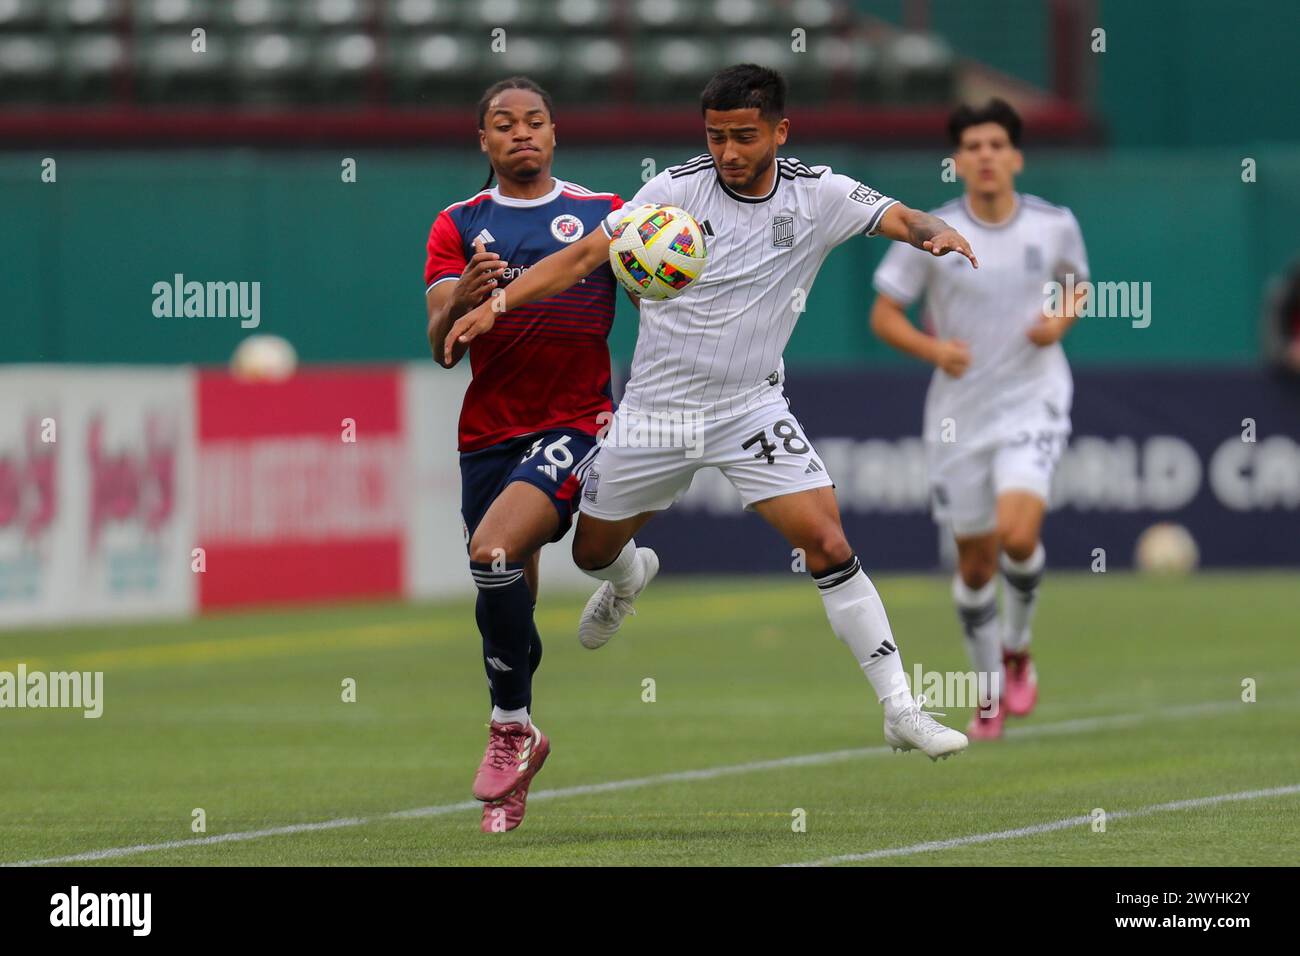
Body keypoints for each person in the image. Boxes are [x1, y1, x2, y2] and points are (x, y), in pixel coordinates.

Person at [445, 64, 978, 761]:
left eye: (745, 137)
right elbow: (583, 256)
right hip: (654, 414)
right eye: (716, 135)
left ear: (780, 133)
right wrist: (497, 304)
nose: (728, 152)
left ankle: (900, 705)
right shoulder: (671, 191)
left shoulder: (821, 195)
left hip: (749, 407)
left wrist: (931, 231)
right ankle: (631, 578)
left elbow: (899, 215)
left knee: (826, 541)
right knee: (592, 551)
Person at [424, 76, 623, 831]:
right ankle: (521, 759)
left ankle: (508, 726)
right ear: (484, 140)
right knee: (507, 592)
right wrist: (463, 298)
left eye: (534, 121)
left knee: (492, 549)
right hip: (487, 434)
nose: (521, 133)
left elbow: (654, 297)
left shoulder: (604, 214)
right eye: (504, 124)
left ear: (553, 131)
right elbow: (442, 347)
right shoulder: (457, 224)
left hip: (575, 421)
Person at [869, 98, 1090, 739]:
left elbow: (1078, 284)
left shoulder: (1053, 224)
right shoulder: (930, 229)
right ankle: (987, 687)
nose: (986, 155)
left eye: (997, 144)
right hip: (958, 416)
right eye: (974, 146)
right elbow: (884, 316)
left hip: (1033, 399)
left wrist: (1061, 319)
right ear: (958, 160)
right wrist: (934, 349)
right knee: (973, 565)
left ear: (1015, 156)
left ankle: (1016, 651)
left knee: (1017, 537)